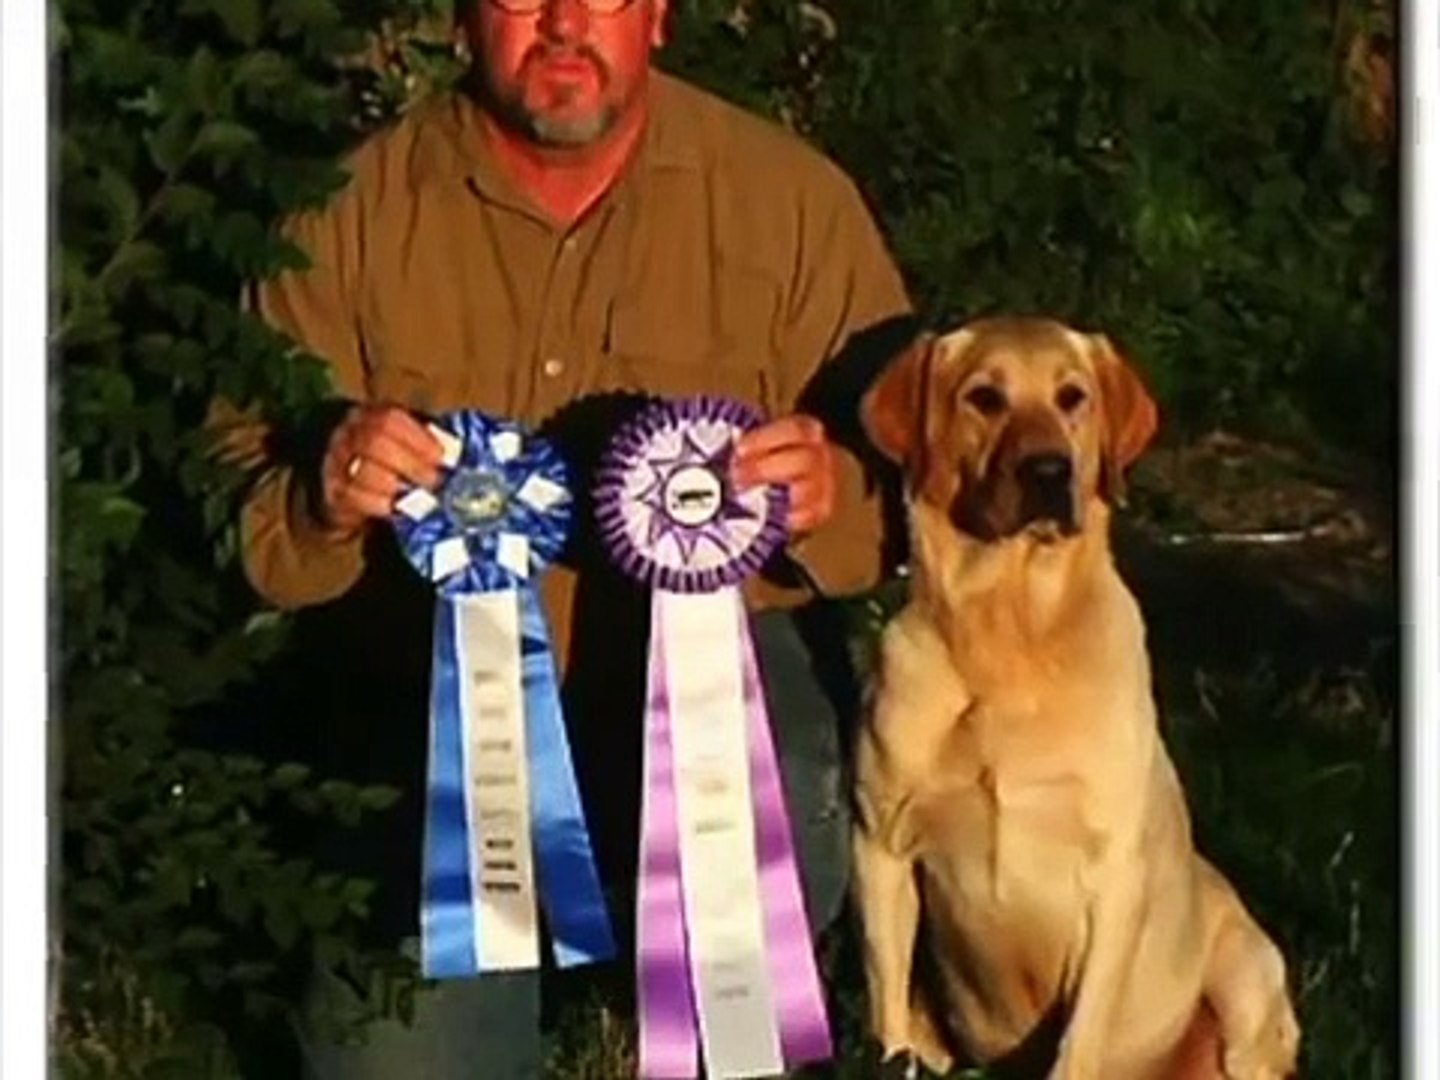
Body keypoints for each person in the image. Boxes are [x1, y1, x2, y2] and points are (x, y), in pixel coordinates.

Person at [215, 0, 915, 1075]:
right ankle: (492, 963)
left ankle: (689, 969)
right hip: (427, 720)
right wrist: (322, 488)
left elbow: (919, 471)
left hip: (717, 714)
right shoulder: (341, 214)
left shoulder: (794, 205)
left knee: (788, 839)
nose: (561, 23)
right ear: (461, 17)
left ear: (660, 17)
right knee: (397, 1053)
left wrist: (838, 492)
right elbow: (234, 491)